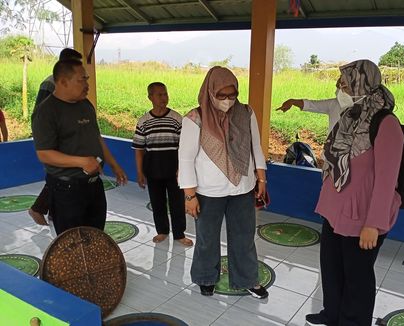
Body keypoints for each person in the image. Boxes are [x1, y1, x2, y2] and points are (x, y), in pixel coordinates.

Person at [280, 60, 404, 326]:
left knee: (357, 277)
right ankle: (331, 313)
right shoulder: (349, 115)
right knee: (332, 268)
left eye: (346, 84)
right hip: (335, 210)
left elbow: (386, 180)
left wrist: (374, 223)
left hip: (363, 217)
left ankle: (353, 321)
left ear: (362, 84)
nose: (341, 88)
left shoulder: (386, 124)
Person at [178, 66, 269, 299]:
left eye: (232, 95)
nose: (228, 101)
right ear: (210, 92)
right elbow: (186, 159)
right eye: (222, 95)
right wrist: (190, 195)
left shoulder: (246, 113)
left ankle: (247, 279)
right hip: (208, 192)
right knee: (207, 239)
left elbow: (255, 147)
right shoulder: (194, 118)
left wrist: (261, 178)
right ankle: (206, 277)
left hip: (243, 188)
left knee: (244, 237)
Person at [32, 59, 127, 235]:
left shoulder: (85, 105)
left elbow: (96, 137)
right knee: (71, 243)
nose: (87, 84)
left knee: (95, 236)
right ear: (62, 82)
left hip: (93, 185)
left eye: (87, 79)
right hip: (66, 190)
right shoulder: (47, 111)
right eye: (81, 80)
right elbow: (44, 154)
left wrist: (114, 164)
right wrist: (81, 162)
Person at [132, 82, 193, 246]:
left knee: (177, 204)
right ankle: (162, 231)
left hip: (175, 171)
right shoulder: (144, 121)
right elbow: (139, 149)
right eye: (159, 95)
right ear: (150, 97)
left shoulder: (176, 119)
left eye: (165, 94)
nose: (163, 98)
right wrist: (139, 172)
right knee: (157, 203)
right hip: (153, 171)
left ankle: (179, 234)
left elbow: (184, 147)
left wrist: (183, 169)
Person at [28, 48, 83, 226]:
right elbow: (41, 114)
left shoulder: (67, 84)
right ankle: (39, 209)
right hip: (55, 140)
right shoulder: (50, 84)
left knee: (63, 176)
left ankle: (50, 211)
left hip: (63, 138)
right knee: (59, 177)